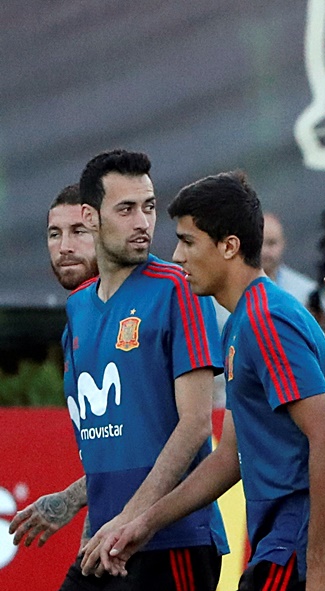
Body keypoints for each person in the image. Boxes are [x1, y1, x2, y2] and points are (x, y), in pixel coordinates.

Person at [96, 170, 325, 591]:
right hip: (293, 546)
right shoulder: (245, 321)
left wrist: (320, 562)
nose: (177, 256)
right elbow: (230, 456)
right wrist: (146, 523)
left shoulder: (265, 320)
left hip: (303, 551)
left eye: (188, 241)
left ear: (230, 246)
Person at [65, 149, 227, 589]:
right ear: (90, 216)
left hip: (172, 542)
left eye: (149, 207)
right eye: (126, 208)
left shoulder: (178, 287)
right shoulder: (78, 306)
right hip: (105, 542)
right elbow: (97, 434)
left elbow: (195, 426)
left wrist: (131, 519)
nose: (143, 223)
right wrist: (94, 521)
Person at [8, 184, 100, 551]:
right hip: (112, 535)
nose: (64, 246)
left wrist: (72, 500)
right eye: (54, 233)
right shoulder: (77, 323)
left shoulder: (134, 314)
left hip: (162, 540)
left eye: (79, 232)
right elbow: (108, 452)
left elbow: (149, 444)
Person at [261, 211, 319, 306]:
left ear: (283, 244)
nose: (264, 251)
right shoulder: (230, 292)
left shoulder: (305, 292)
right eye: (258, 244)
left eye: (271, 243)